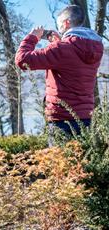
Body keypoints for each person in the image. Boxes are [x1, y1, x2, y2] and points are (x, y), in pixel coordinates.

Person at [15, 5, 103, 145]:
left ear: (66, 22)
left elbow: (22, 60)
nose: (58, 26)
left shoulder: (61, 49)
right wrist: (58, 42)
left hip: (62, 120)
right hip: (86, 118)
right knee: (82, 165)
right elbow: (70, 64)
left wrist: (33, 37)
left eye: (59, 23)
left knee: (60, 165)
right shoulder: (96, 47)